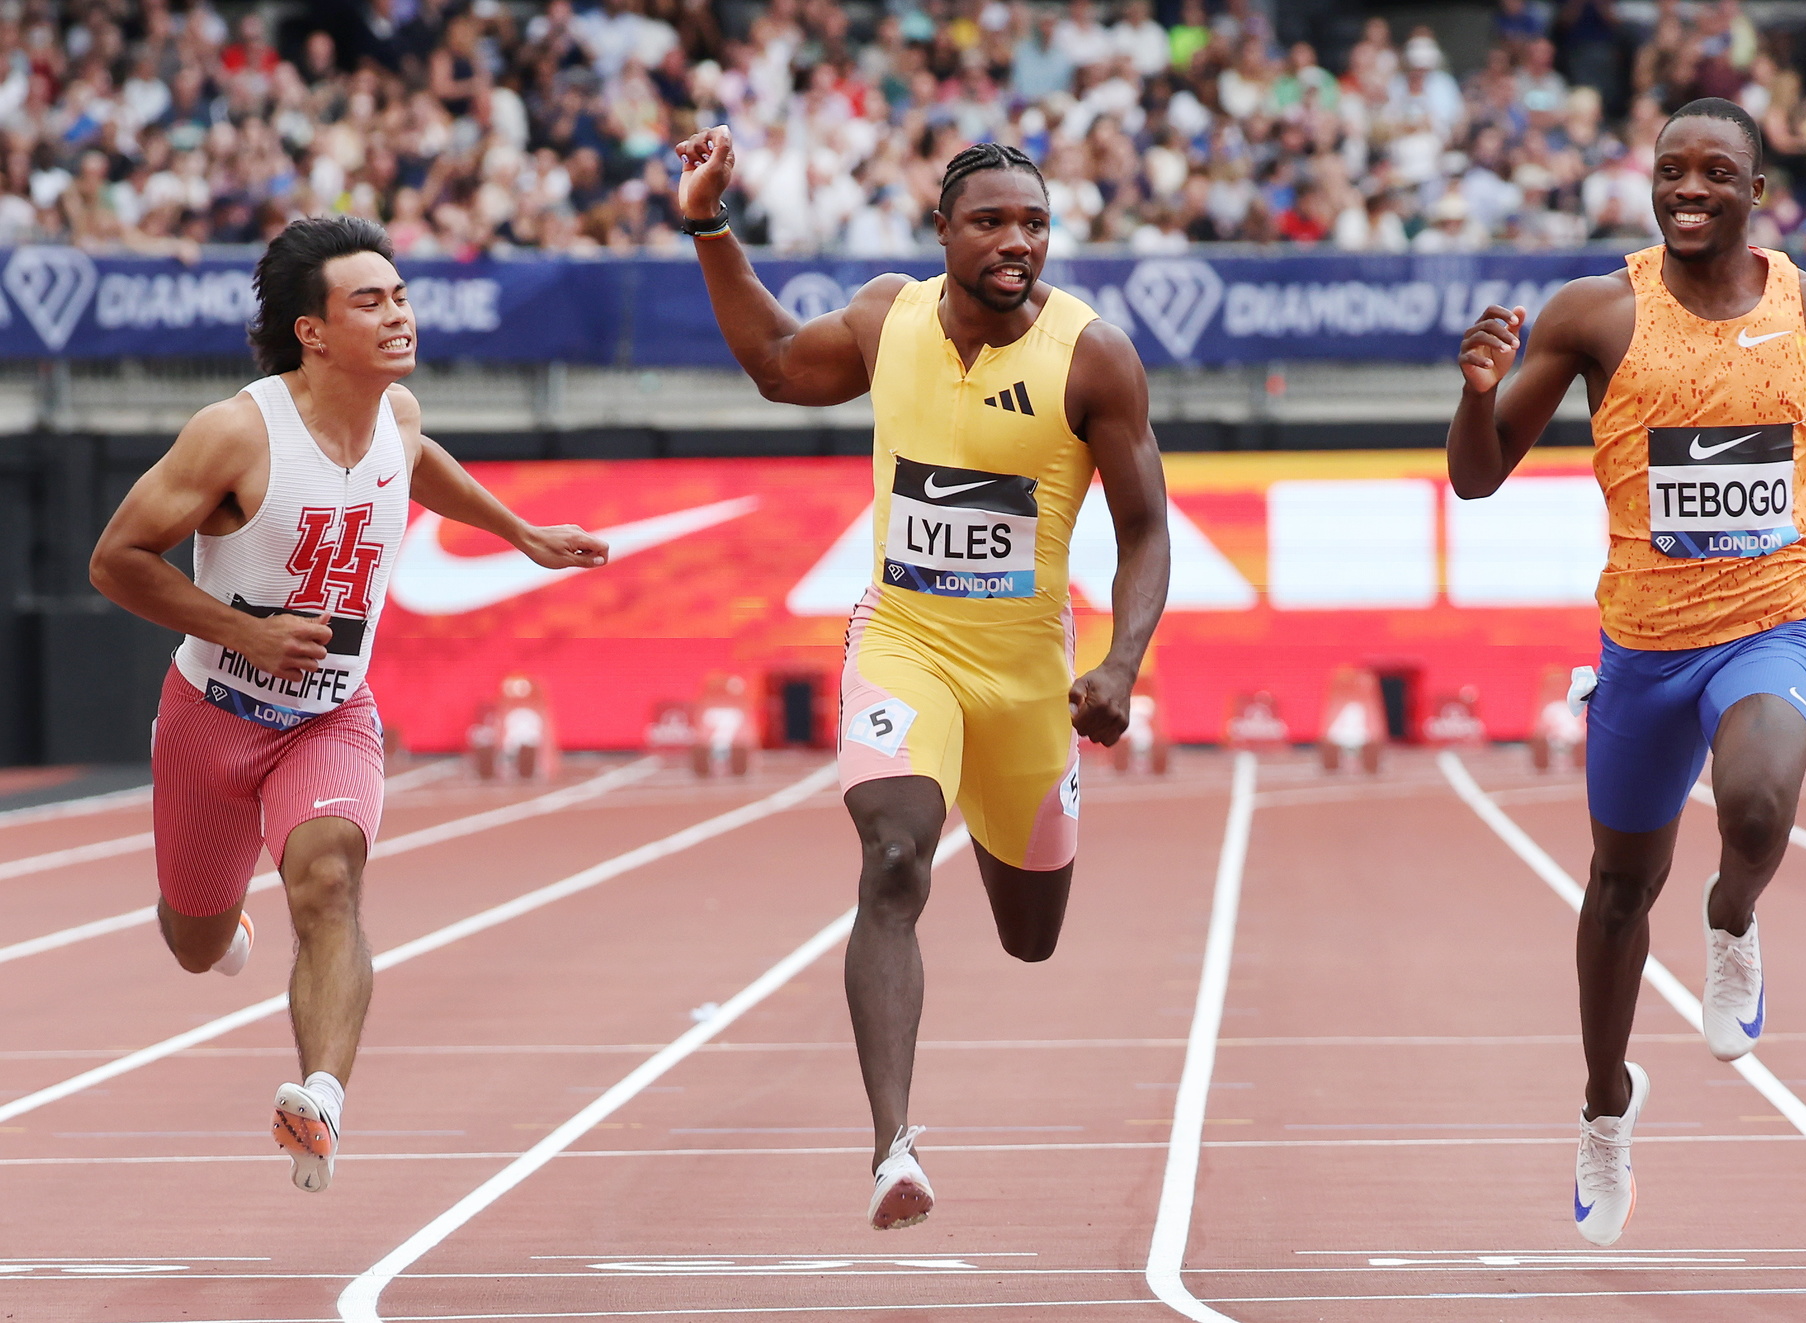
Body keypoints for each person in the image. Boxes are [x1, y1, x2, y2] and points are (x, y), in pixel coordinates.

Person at [672, 128, 1170, 1230]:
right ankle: (892, 1145)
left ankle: (1017, 831)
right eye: (990, 221)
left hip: (1027, 677)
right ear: (941, 233)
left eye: (1033, 223)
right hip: (904, 643)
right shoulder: (887, 317)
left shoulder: (1094, 359)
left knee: (1030, 933)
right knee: (892, 860)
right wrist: (708, 225)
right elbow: (774, 366)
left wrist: (1117, 665)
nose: (1015, 242)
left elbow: (1143, 529)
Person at [89, 216, 609, 1193]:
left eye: (400, 295)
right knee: (193, 943)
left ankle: (320, 1095)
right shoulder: (236, 434)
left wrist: (521, 532)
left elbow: (419, 462)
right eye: (369, 300)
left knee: (329, 882)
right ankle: (222, 919)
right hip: (213, 716)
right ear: (311, 331)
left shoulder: (397, 416)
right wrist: (241, 630)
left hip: (330, 718)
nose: (398, 313)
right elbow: (114, 560)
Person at [1446, 98, 1806, 1246]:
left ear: (1756, 188)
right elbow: (1479, 477)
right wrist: (1474, 390)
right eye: (1668, 172)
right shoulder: (1595, 311)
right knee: (1613, 894)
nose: (1687, 189)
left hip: (1771, 622)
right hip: (1642, 643)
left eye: (1714, 172)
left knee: (1753, 803)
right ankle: (1604, 1107)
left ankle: (1733, 918)